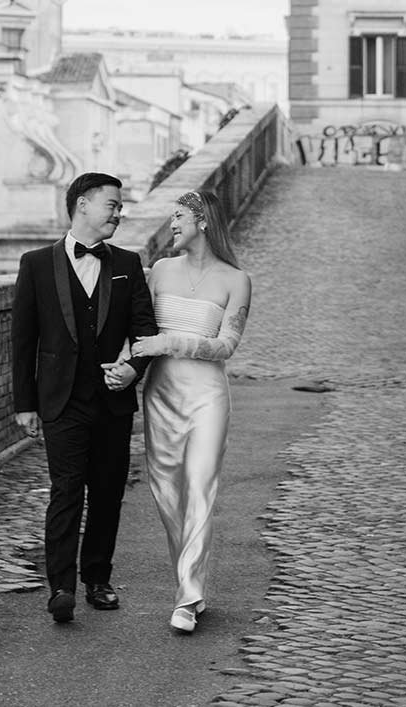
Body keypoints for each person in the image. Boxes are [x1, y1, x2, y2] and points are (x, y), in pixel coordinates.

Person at [12, 171, 158, 623]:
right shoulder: (36, 263)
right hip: (60, 401)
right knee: (66, 492)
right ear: (82, 206)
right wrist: (24, 403)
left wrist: (133, 368)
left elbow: (145, 333)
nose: (120, 212)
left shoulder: (128, 264)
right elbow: (23, 339)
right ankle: (60, 587)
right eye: (113, 204)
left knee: (109, 493)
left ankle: (98, 579)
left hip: (112, 403)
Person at [125, 188, 252, 633]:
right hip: (160, 394)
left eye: (178, 216)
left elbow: (226, 346)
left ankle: (188, 595)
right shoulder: (159, 271)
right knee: (165, 494)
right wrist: (125, 365)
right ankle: (190, 581)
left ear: (203, 220)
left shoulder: (236, 281)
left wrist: (171, 342)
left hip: (207, 398)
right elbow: (135, 330)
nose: (172, 225)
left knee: (200, 488)